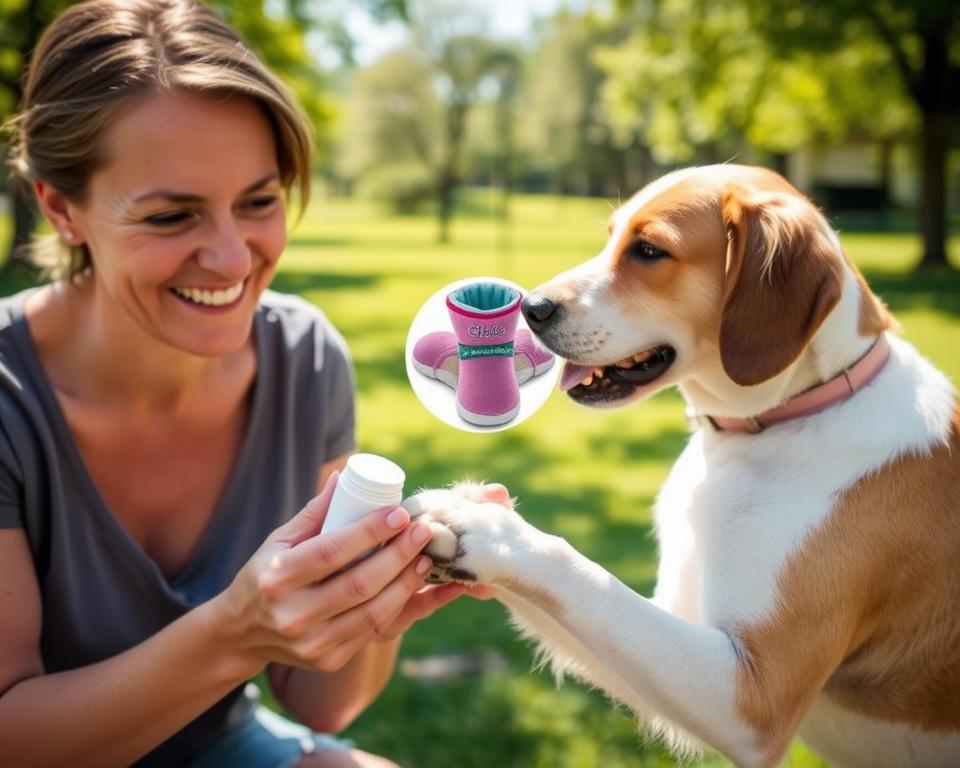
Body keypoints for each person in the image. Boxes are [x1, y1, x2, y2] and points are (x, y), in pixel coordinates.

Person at [0, 1, 467, 765]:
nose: (231, 258)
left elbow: (324, 701)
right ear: (62, 208)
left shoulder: (305, 358)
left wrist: (377, 595)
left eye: (258, 202)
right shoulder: (8, 396)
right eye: (171, 216)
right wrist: (233, 632)